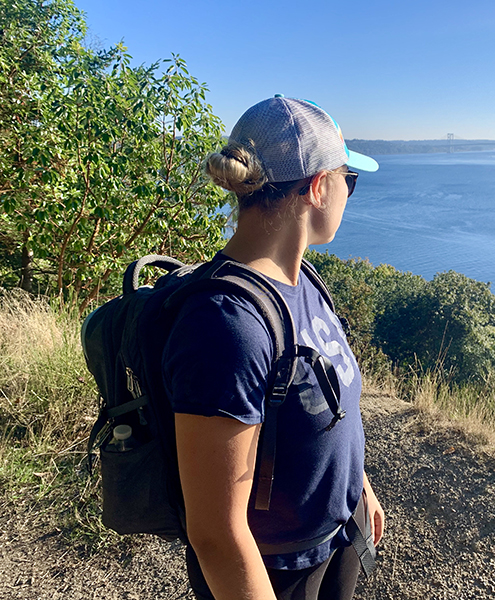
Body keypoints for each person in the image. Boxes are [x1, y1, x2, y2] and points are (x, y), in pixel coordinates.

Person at [161, 95, 384, 600]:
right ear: (316, 187)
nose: (350, 193)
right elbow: (216, 536)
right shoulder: (224, 326)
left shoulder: (302, 279)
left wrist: (357, 487)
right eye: (349, 179)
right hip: (275, 572)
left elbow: (330, 401)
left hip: (335, 540)